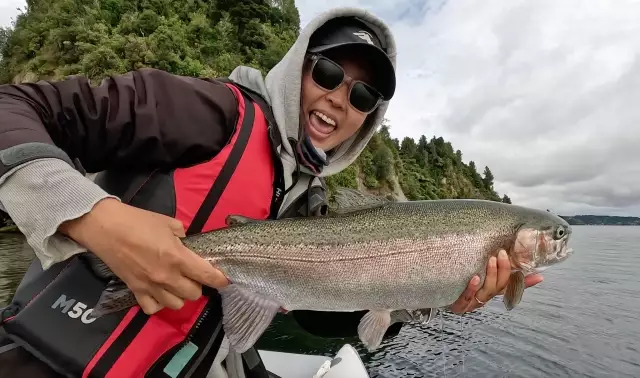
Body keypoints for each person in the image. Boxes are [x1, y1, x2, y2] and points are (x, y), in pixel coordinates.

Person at [0, 7, 543, 378]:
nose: (338, 99)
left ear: (369, 118)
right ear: (298, 65)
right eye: (327, 71)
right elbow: (14, 106)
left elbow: (310, 316)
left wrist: (417, 295)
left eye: (362, 95)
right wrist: (96, 218)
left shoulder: (308, 201)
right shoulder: (201, 111)